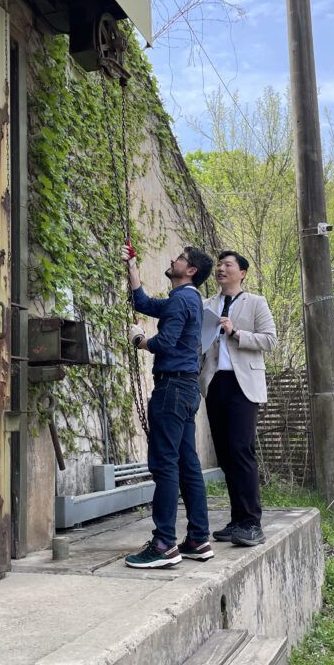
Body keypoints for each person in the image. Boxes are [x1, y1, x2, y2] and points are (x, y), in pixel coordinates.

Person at [121, 243, 215, 568]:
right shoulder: (188, 299)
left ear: (189, 270)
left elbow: (165, 341)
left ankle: (163, 544)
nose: (173, 260)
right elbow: (144, 303)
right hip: (186, 389)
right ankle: (199, 540)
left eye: (180, 259)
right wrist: (132, 267)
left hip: (171, 388)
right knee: (188, 465)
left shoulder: (182, 299)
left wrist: (139, 340)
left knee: (165, 465)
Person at [199, 251, 277, 546]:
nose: (220, 269)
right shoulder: (208, 304)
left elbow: (270, 339)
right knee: (225, 454)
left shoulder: (255, 302)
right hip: (214, 382)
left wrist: (236, 333)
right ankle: (236, 520)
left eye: (227, 265)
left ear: (242, 272)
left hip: (243, 384)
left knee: (241, 449)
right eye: (218, 265)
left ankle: (252, 523)